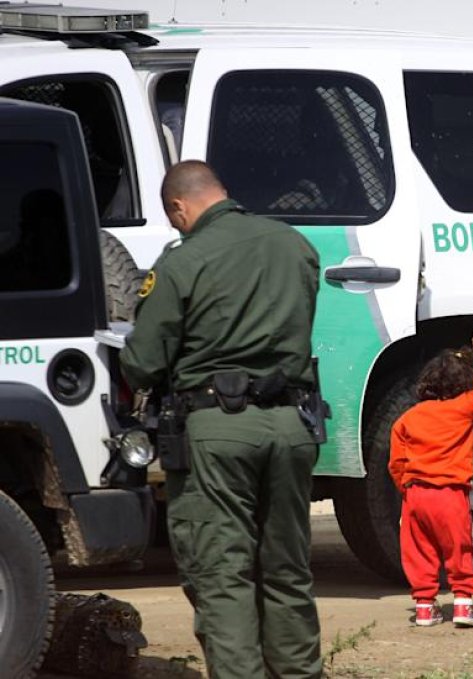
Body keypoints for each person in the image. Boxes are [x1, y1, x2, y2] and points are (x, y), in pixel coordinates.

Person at [119, 160, 322, 678]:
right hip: (293, 424)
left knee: (222, 574)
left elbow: (145, 361)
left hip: (218, 431)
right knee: (287, 568)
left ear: (179, 207)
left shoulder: (183, 262)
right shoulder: (294, 244)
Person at [389, 347, 473, 628]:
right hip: (450, 494)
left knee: (418, 551)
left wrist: (406, 491)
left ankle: (425, 607)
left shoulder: (408, 418)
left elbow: (396, 463)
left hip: (416, 494)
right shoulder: (462, 409)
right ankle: (463, 604)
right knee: (458, 549)